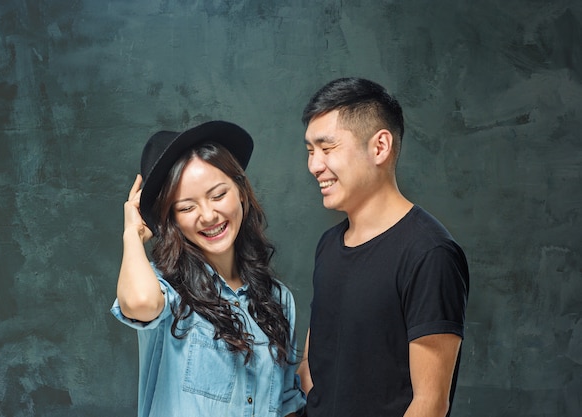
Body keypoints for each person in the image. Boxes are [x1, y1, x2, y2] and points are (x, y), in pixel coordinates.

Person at [296, 78, 470, 417]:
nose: (314, 165)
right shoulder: (328, 245)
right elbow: (311, 363)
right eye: (310, 151)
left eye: (326, 148)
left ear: (379, 147)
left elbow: (430, 403)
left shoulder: (429, 253)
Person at [111, 121, 306, 417]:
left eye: (217, 195)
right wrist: (132, 233)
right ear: (172, 219)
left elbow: (287, 402)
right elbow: (139, 303)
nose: (208, 215)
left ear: (241, 191)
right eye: (187, 207)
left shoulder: (278, 300)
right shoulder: (166, 289)